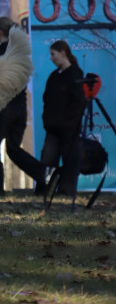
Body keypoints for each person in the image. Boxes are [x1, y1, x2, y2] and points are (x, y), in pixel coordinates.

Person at [0, 17, 28, 196]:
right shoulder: (18, 53)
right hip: (20, 107)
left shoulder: (1, 53)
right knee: (14, 149)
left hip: (3, 108)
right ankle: (43, 174)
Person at [40, 40, 86, 196]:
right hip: (52, 129)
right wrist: (47, 119)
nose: (51, 58)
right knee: (47, 162)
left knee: (69, 161)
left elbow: (78, 102)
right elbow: (46, 99)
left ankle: (66, 192)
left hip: (69, 130)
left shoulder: (76, 74)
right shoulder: (53, 76)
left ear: (63, 53)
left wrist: (70, 123)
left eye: (53, 54)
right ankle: (44, 191)